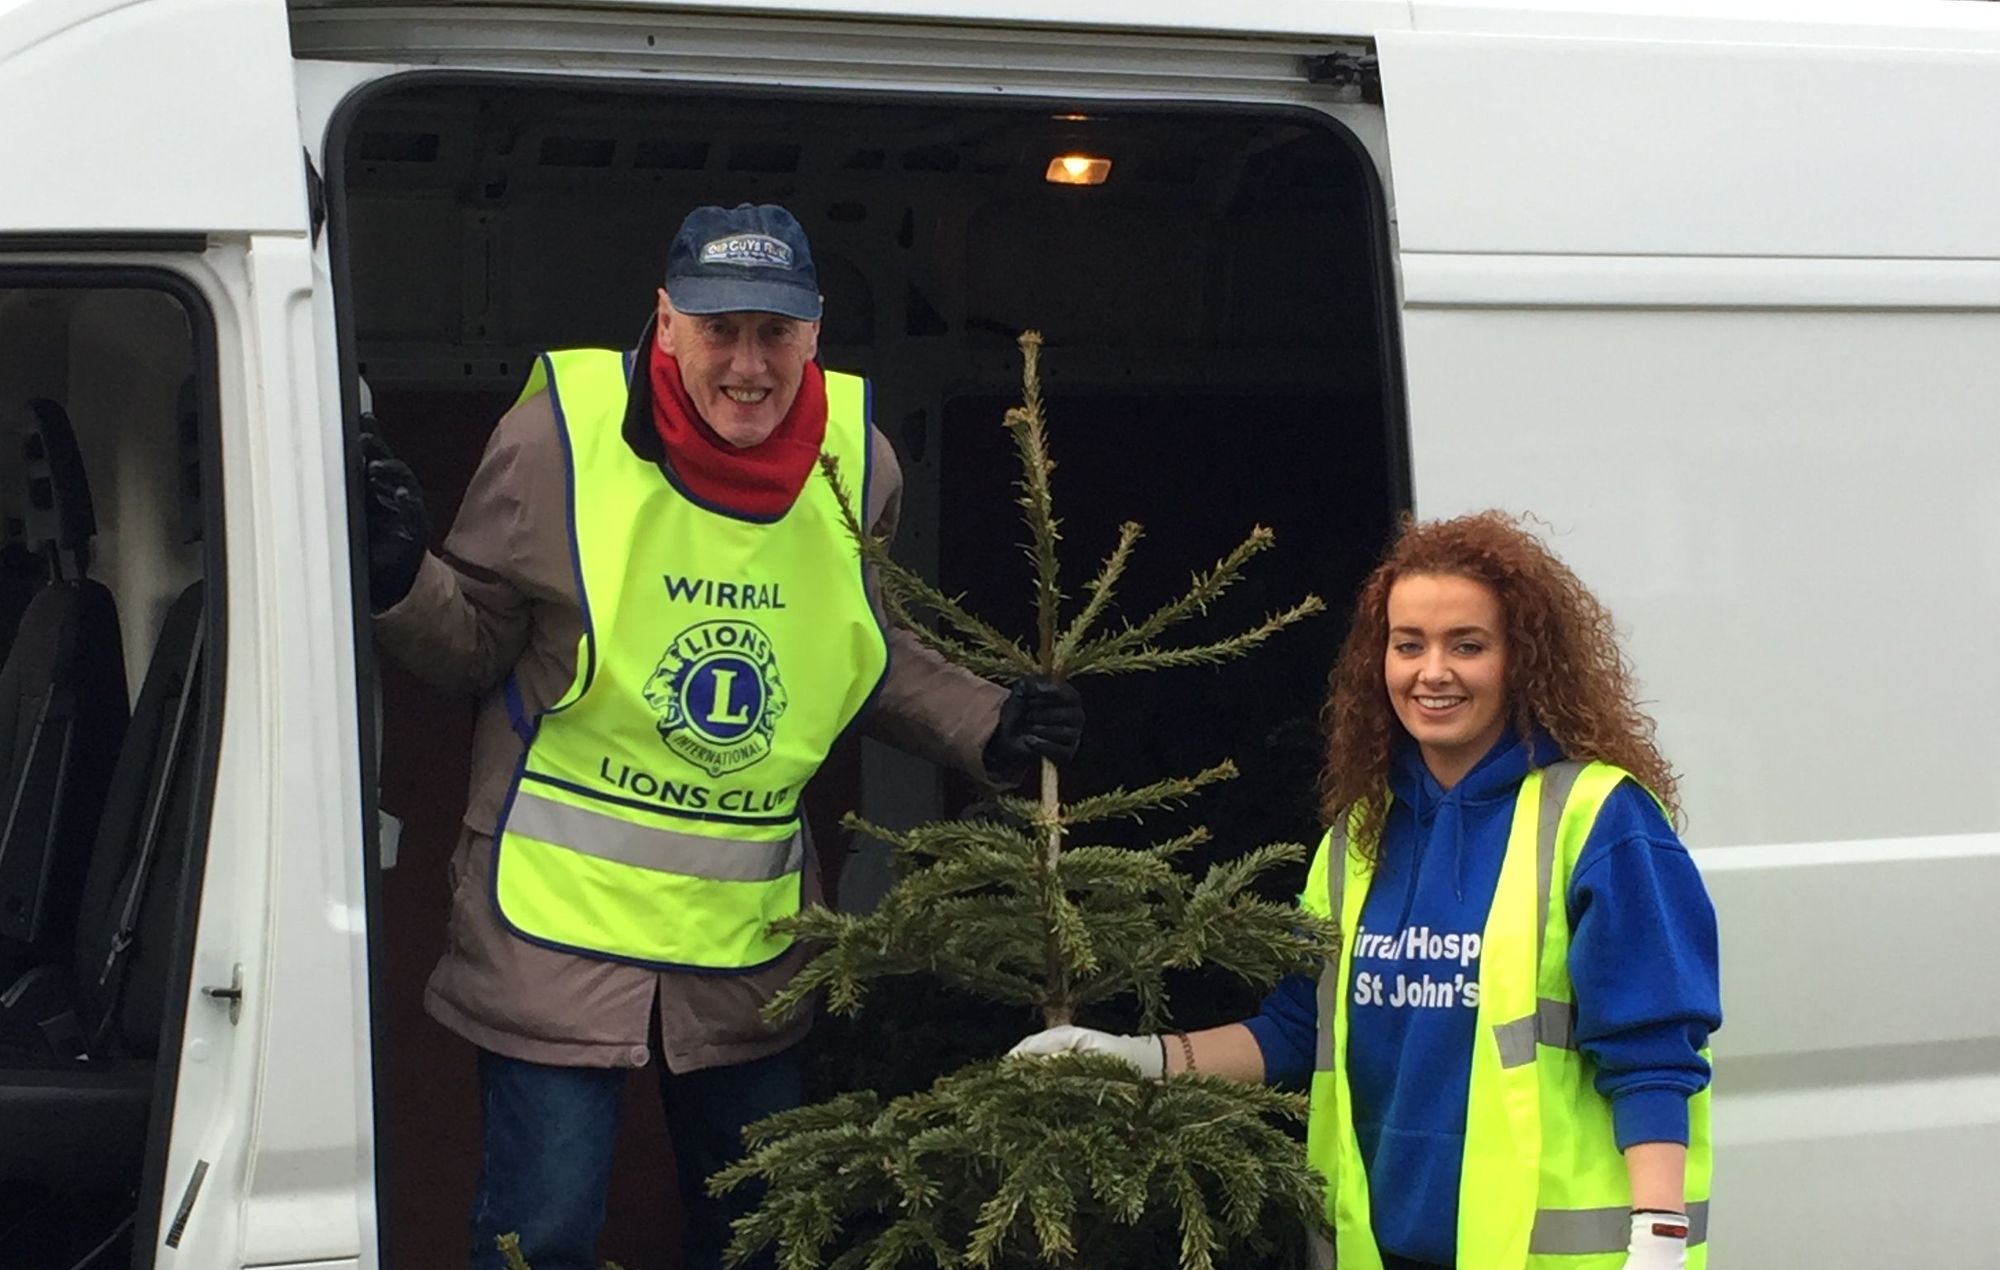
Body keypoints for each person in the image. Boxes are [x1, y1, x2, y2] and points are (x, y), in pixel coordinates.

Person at [360, 203, 1084, 1270]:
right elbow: (471, 646)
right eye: (718, 329)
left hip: (745, 943)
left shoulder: (859, 460)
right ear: (664, 322)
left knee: (756, 1235)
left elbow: (855, 646)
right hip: (555, 926)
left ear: (815, 331)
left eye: (773, 333)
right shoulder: (556, 438)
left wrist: (992, 720)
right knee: (545, 1232)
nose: (747, 365)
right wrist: (396, 575)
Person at [1010, 511, 1720, 1270]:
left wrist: (1660, 1237)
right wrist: (1135, 1057)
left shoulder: (1598, 820)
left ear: (1523, 661)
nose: (1432, 671)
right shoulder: (1360, 836)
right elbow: (1298, 1027)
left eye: (1467, 646)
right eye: (1408, 644)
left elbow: (1651, 1051)